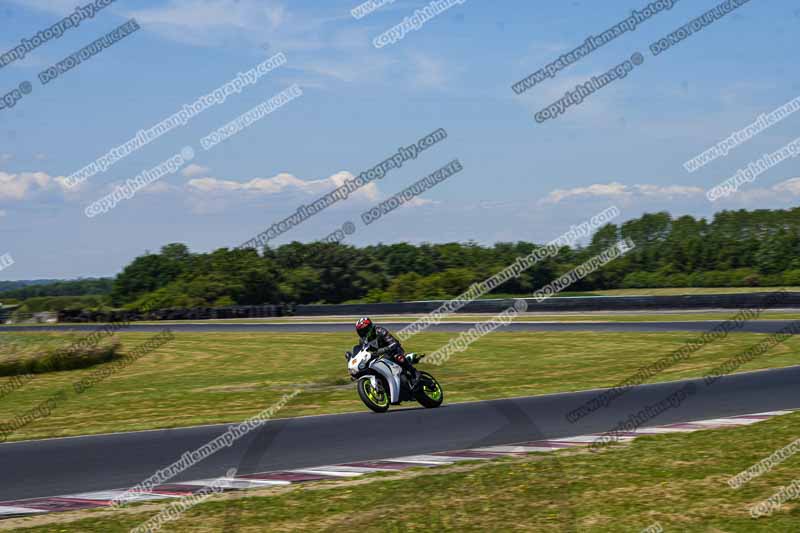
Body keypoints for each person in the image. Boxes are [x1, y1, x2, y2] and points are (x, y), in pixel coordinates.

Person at [348, 317, 420, 384]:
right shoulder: (362, 341)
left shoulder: (379, 330)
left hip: (392, 350)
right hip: (378, 356)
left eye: (364, 331)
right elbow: (362, 352)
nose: (363, 333)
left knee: (398, 357)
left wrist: (388, 348)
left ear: (369, 328)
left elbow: (392, 341)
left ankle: (414, 372)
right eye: (360, 332)